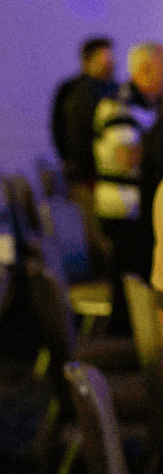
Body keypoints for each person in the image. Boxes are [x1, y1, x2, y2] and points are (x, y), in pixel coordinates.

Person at [93, 41, 163, 332]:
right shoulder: (120, 103)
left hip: (138, 203)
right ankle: (130, 339)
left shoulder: (147, 105)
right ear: (145, 69)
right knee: (130, 279)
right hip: (124, 207)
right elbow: (128, 156)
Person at [51, 36, 117, 190]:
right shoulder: (72, 91)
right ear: (88, 60)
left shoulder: (114, 89)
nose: (111, 63)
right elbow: (60, 130)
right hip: (86, 178)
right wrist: (71, 162)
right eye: (105, 58)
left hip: (107, 177)